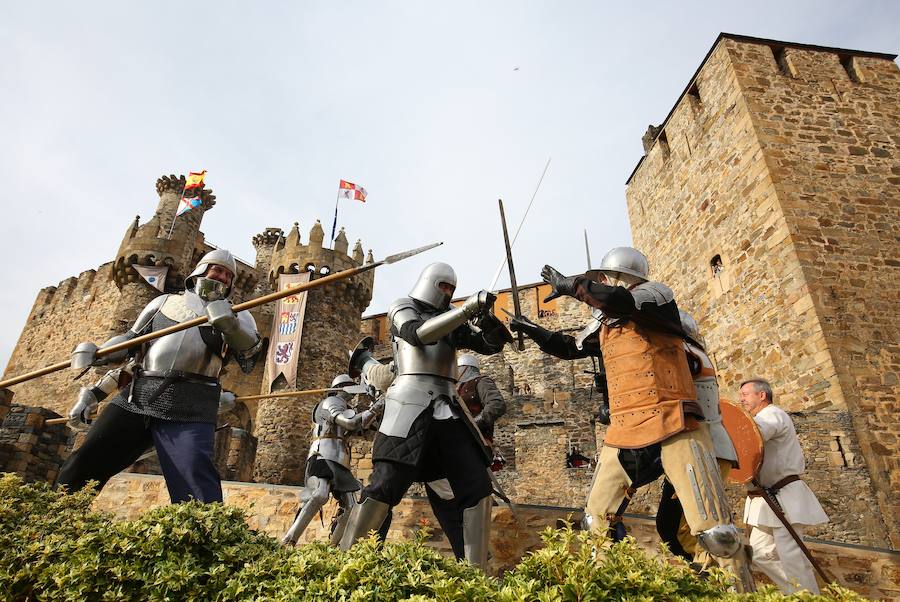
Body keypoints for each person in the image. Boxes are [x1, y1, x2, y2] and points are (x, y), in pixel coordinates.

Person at [514, 247, 752, 591]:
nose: (603, 283)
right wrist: (535, 332)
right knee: (595, 518)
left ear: (619, 277)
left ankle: (738, 594)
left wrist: (573, 285)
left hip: (674, 422)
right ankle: (609, 590)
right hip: (626, 428)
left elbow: (620, 302)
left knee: (715, 532)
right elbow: (572, 347)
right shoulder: (607, 322)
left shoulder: (655, 298)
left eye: (605, 278)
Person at [338, 262, 510, 569]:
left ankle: (476, 576)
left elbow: (488, 345)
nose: (447, 293)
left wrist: (489, 321)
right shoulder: (402, 306)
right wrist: (465, 310)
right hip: (409, 404)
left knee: (477, 489)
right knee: (384, 488)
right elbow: (416, 334)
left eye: (452, 290)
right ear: (430, 282)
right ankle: (350, 566)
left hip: (448, 407)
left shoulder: (451, 322)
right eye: (444, 286)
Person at [57, 249, 261, 503]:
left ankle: (203, 537)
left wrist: (229, 324)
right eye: (217, 270)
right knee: (85, 462)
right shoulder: (163, 303)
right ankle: (58, 515)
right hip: (140, 393)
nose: (223, 277)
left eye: (229, 275)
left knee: (195, 478)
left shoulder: (241, 314)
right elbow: (133, 342)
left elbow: (249, 352)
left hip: (193, 400)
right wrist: (101, 353)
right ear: (201, 270)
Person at [656, 311, 739, 562]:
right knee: (670, 525)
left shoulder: (686, 354)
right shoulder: (687, 352)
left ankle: (720, 579)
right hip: (689, 450)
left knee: (699, 530)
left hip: (704, 449)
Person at [740, 378, 829, 594]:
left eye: (745, 394)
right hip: (766, 499)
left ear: (762, 395)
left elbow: (755, 433)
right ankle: (797, 593)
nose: (741, 400)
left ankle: (808, 598)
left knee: (791, 556)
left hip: (783, 495)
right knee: (760, 553)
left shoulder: (771, 414)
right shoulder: (761, 417)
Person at [281, 374, 382, 547]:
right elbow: (349, 423)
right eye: (351, 386)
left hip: (341, 460)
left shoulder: (345, 406)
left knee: (351, 507)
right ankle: (288, 540)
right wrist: (373, 409)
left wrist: (374, 407)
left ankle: (333, 547)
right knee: (319, 495)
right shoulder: (331, 403)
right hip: (323, 454)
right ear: (342, 388)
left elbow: (361, 428)